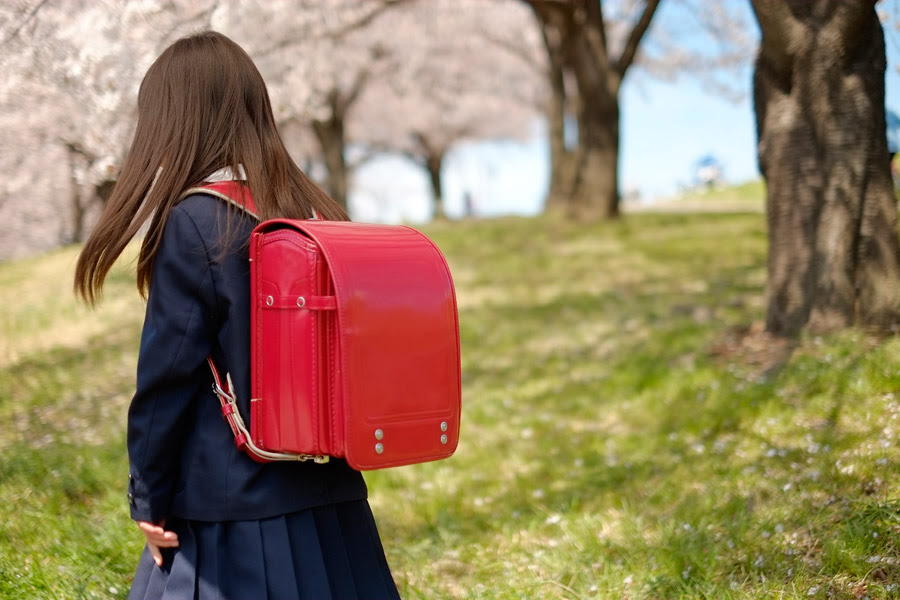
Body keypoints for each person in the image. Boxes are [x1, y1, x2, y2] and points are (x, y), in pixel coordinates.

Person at [74, 31, 400, 599]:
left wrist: (148, 498)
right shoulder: (314, 214)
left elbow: (166, 381)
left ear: (174, 122)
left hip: (227, 517)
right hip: (332, 501)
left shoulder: (196, 220)